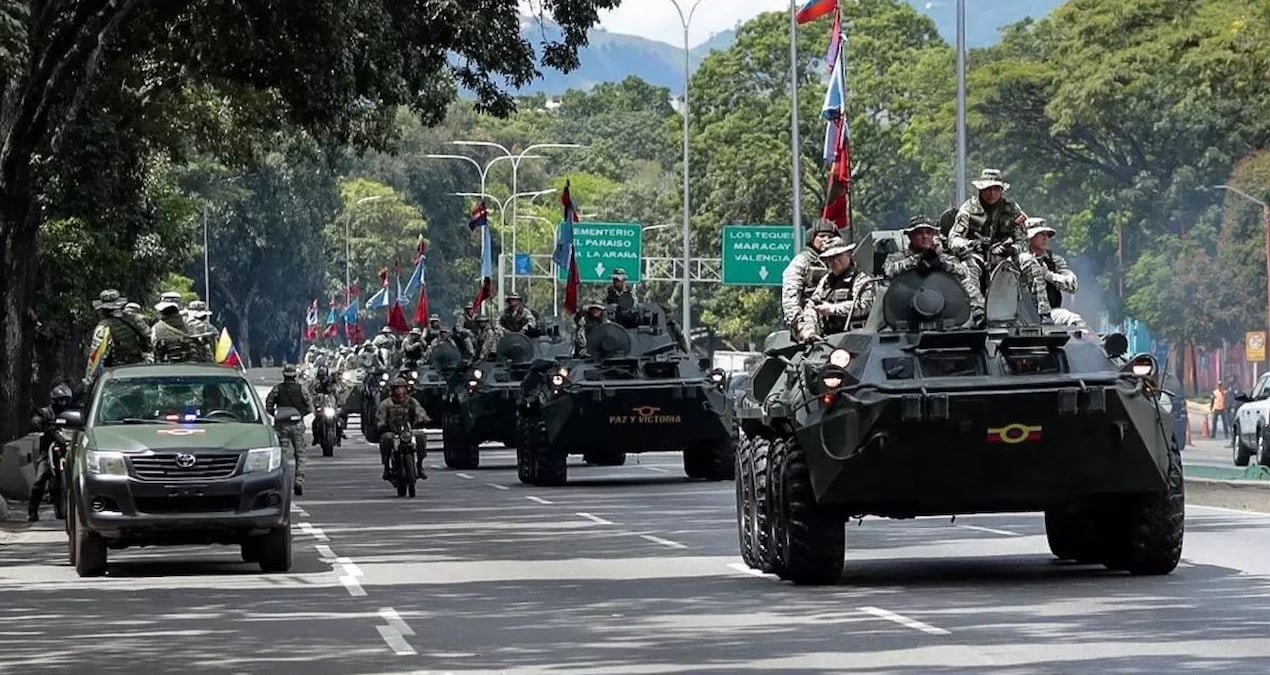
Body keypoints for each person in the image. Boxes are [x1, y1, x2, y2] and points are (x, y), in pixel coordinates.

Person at [947, 169, 1046, 313]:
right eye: (988, 189)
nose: (992, 193)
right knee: (968, 268)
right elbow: (953, 239)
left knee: (1029, 262)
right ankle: (978, 312)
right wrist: (972, 244)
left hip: (1006, 257)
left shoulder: (1012, 209)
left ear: (1002, 190)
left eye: (996, 189)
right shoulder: (968, 209)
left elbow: (1023, 241)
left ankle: (1043, 312)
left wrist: (1011, 249)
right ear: (981, 189)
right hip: (977, 256)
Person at [884, 217, 985, 321]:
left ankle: (979, 315)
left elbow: (963, 272)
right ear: (910, 236)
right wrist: (917, 260)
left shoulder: (944, 257)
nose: (925, 236)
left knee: (968, 285)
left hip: (941, 303)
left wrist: (941, 263)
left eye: (928, 232)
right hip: (906, 305)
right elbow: (889, 271)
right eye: (920, 233)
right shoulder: (897, 257)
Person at [796, 238, 875, 340]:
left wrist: (833, 309)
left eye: (839, 256)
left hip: (855, 338)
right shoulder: (826, 281)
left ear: (848, 254)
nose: (835, 261)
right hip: (829, 339)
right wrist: (809, 330)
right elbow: (812, 306)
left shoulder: (861, 278)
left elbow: (864, 306)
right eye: (830, 258)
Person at [85, 289, 153, 386]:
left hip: (117, 373)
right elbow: (150, 338)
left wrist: (89, 379)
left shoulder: (104, 327)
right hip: (139, 369)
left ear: (103, 310)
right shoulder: (135, 320)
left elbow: (96, 355)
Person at [264, 364, 313, 496]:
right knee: (300, 454)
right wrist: (299, 414)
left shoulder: (277, 389)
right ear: (295, 376)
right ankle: (299, 480)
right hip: (297, 424)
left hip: (281, 425)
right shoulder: (301, 389)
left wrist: (277, 415)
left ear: (284, 375)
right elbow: (309, 407)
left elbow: (268, 405)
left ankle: (281, 481)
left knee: (281, 455)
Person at [27, 383, 73, 521]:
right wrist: (39, 422)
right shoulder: (46, 412)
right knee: (39, 479)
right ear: (53, 400)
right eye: (60, 400)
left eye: (65, 400)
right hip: (49, 450)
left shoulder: (72, 413)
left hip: (69, 448)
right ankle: (32, 511)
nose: (63, 403)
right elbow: (36, 419)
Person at [781, 219, 838, 330]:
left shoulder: (841, 261)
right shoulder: (802, 262)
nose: (826, 240)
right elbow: (790, 295)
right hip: (809, 321)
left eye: (830, 236)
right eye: (821, 236)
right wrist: (799, 326)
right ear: (812, 238)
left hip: (835, 318)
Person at [1025, 219, 1083, 325]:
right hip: (1020, 317)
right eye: (1041, 234)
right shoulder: (1018, 260)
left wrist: (1048, 275)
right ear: (1030, 237)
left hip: (1049, 316)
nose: (1046, 238)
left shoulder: (1054, 261)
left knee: (1072, 320)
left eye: (1047, 235)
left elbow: (1073, 285)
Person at [375, 377, 431, 480]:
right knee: (386, 439)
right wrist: (381, 424)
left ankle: (419, 465)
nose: (399, 391)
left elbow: (419, 411)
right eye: (396, 388)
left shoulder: (411, 402)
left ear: (406, 389)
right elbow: (380, 417)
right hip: (393, 432)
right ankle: (387, 467)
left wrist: (423, 418)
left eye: (401, 388)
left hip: (408, 432)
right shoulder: (386, 404)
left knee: (421, 436)